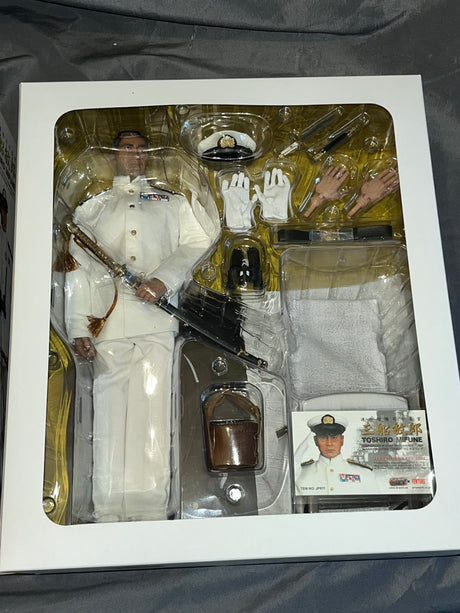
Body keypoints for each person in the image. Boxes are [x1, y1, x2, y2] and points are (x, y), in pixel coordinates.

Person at [65, 130, 212, 522]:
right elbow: (77, 270)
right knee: (109, 416)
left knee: (152, 416)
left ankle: (150, 510)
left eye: (143, 149)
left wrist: (165, 279)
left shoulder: (171, 203)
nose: (137, 155)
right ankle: (107, 509)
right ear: (115, 154)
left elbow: (198, 241)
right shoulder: (93, 209)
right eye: (128, 148)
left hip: (155, 319)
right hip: (108, 321)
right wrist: (77, 324)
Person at [295, 413, 374, 496]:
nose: (329, 443)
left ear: (342, 440)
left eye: (334, 437)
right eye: (323, 437)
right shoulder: (299, 474)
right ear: (316, 441)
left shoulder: (364, 473)